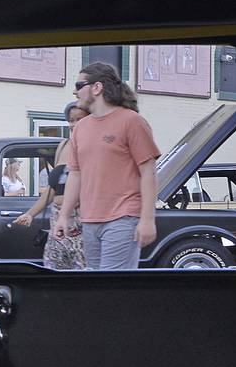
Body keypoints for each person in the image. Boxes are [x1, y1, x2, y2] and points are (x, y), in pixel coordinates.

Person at [53, 61, 160, 270]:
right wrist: (64, 216)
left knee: (113, 287)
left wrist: (147, 219)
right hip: (89, 219)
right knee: (98, 288)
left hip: (124, 217)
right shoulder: (81, 127)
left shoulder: (132, 121)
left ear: (97, 87)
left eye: (78, 85)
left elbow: (148, 172)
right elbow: (75, 174)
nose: (74, 92)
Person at [13, 101, 90, 270]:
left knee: (83, 280)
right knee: (53, 274)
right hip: (57, 223)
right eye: (71, 120)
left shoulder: (93, 148)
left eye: (79, 119)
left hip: (81, 224)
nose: (73, 124)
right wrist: (30, 214)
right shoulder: (63, 146)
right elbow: (51, 189)